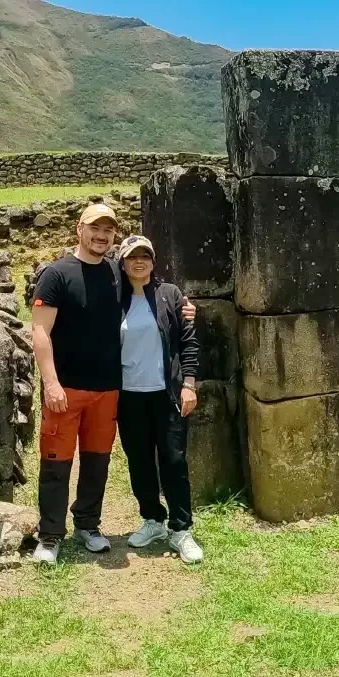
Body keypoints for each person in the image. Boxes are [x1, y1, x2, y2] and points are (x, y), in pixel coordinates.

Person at [29, 202, 127, 564]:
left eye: (108, 230)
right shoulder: (56, 275)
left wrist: (183, 307)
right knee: (56, 463)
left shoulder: (116, 273)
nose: (101, 236)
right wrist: (50, 382)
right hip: (65, 388)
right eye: (94, 228)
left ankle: (88, 524)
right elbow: (40, 331)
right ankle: (50, 535)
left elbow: (150, 292)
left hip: (107, 387)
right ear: (79, 229)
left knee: (97, 461)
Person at [114, 234, 204, 564]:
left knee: (174, 461)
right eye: (132, 257)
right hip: (129, 396)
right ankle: (152, 519)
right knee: (139, 461)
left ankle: (181, 529)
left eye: (145, 256)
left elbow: (189, 342)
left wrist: (189, 384)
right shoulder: (115, 299)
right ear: (123, 263)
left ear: (153, 261)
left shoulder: (170, 295)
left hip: (167, 394)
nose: (139, 262)